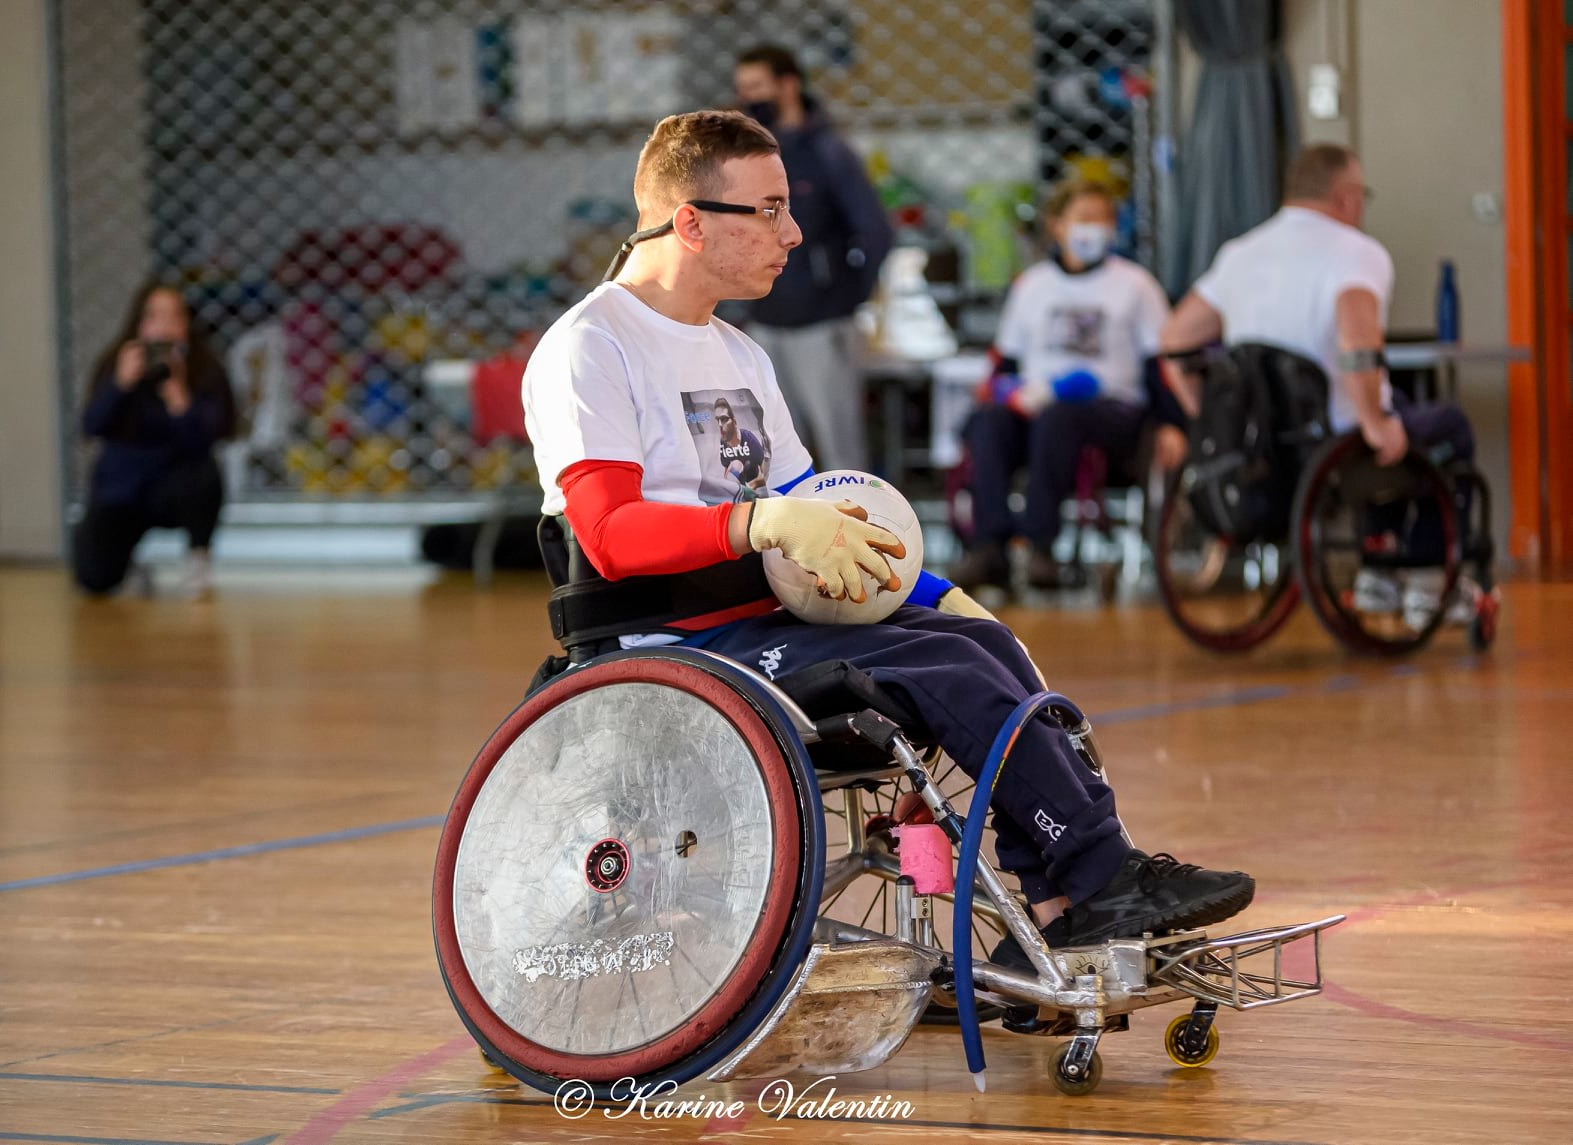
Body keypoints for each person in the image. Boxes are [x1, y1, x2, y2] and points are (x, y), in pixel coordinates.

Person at [522, 109, 1255, 958]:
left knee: (984, 644)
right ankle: (1100, 878)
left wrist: (939, 591)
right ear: (689, 221)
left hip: (763, 616)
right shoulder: (592, 344)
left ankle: (1054, 915)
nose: (792, 233)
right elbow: (610, 534)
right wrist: (761, 520)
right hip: (668, 636)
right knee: (941, 666)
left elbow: (817, 518)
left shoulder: (738, 353)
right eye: (766, 209)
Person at [1161, 143, 1479, 620]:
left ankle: (1377, 574)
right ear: (1347, 197)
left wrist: (1206, 417)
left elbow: (1174, 339)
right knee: (1444, 426)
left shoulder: (1240, 253)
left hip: (1261, 448)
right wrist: (1374, 422)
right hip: (1331, 442)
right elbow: (1358, 340)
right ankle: (1428, 577)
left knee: (1393, 413)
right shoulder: (1357, 253)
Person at [952, 181, 1179, 592]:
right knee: (990, 423)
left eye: (1105, 220)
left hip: (1114, 408)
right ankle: (989, 547)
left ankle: (1040, 546)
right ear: (1057, 225)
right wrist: (1002, 393)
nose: (1096, 229)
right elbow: (1005, 362)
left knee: (1060, 419)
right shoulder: (1033, 286)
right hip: (1040, 402)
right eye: (1085, 219)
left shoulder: (1135, 285)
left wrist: (1172, 422)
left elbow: (1159, 365)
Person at [733, 44, 892, 473]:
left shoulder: (827, 152)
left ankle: (866, 533)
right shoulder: (751, 157)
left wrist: (844, 297)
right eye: (743, 89)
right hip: (765, 324)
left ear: (788, 85)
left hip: (822, 325)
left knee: (841, 449)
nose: (749, 98)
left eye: (757, 87)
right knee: (773, 453)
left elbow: (876, 232)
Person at [73, 283, 235, 599]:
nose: (164, 327)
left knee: (206, 474)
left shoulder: (203, 370)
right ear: (138, 323)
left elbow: (213, 435)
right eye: (154, 316)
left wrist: (180, 401)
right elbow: (92, 426)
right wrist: (120, 385)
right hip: (122, 490)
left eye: (173, 317)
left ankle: (197, 559)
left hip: (174, 486)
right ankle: (128, 562)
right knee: (94, 577)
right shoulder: (115, 365)